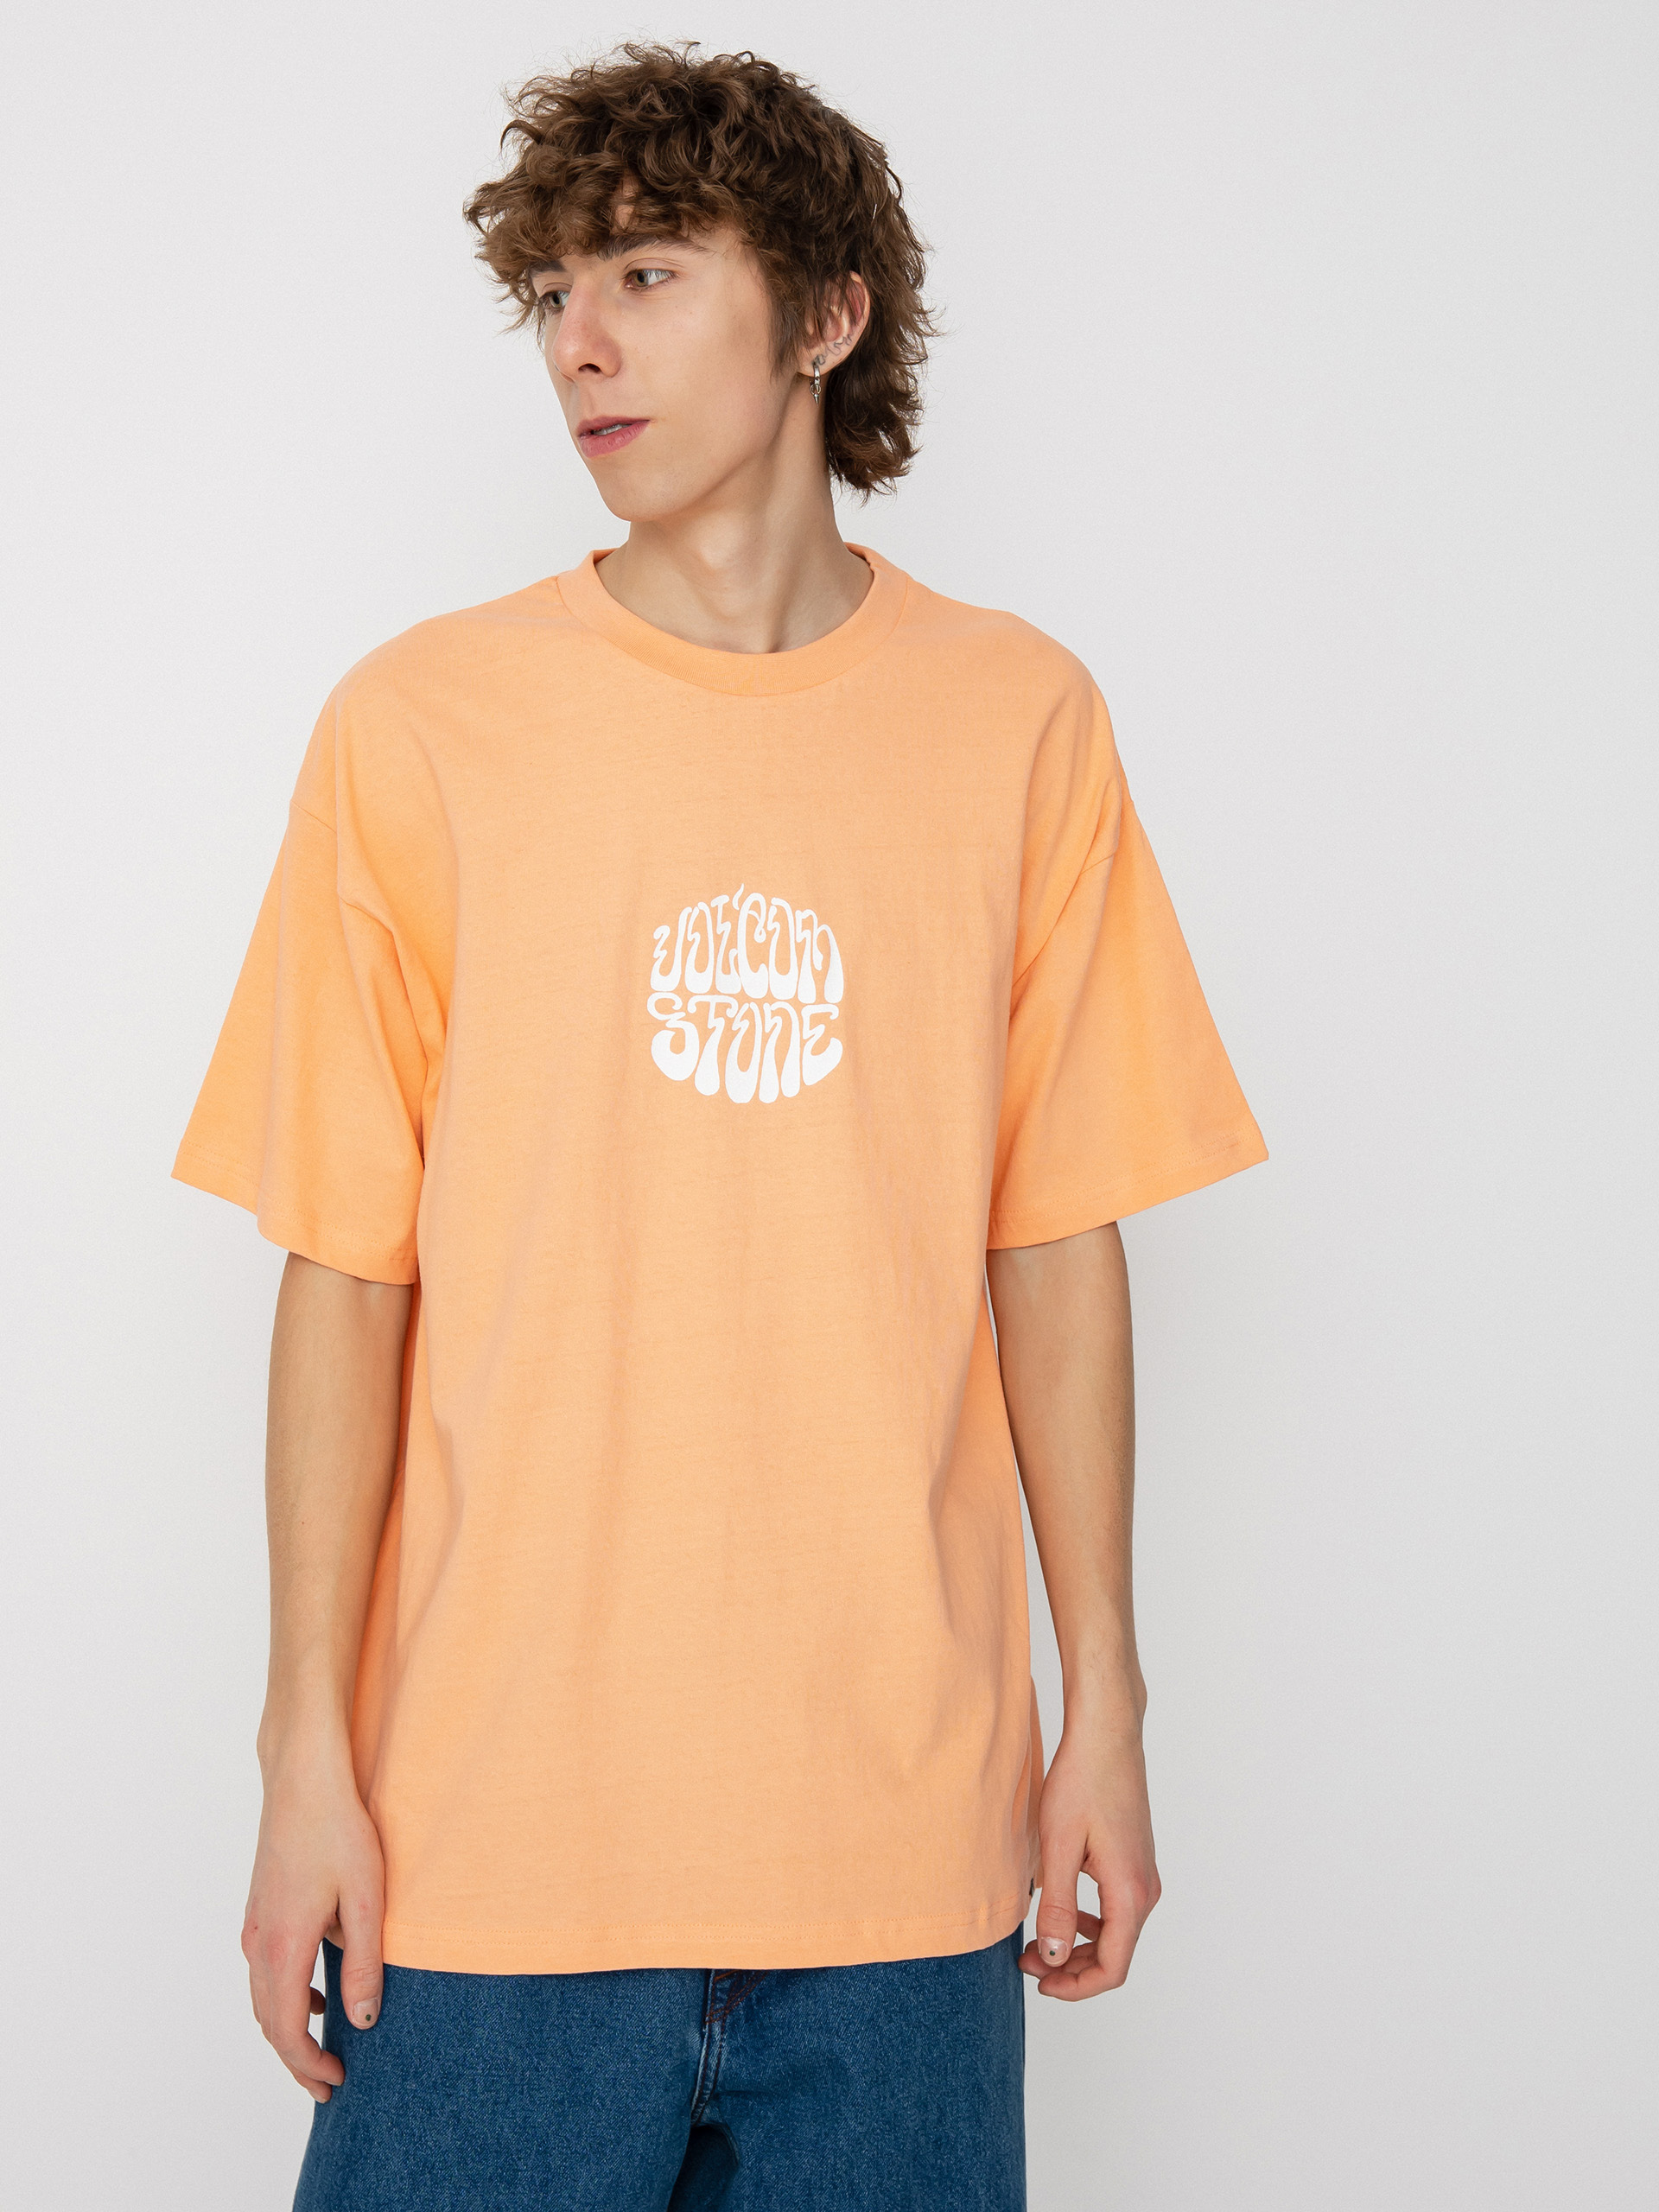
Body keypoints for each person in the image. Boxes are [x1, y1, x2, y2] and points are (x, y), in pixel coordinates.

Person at [174, 41, 1266, 2212]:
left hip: (905, 1851)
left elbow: (1055, 1241)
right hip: (487, 1843)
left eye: (649, 274)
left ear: (828, 314)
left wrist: (1110, 1711)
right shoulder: (421, 727)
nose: (579, 344)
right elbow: (345, 1270)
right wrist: (303, 1751)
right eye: (553, 293)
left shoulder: (1018, 720)